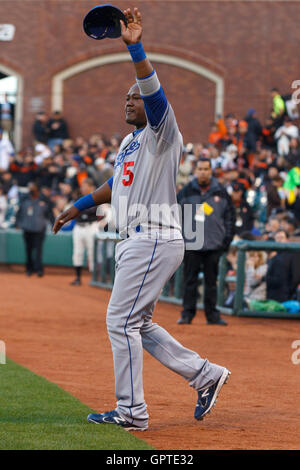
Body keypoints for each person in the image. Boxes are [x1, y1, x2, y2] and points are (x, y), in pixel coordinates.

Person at [53, 7, 230, 431]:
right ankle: (206, 374)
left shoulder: (162, 132)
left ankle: (132, 412)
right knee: (139, 323)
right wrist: (76, 206)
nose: (128, 101)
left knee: (120, 321)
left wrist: (136, 48)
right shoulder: (130, 144)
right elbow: (113, 187)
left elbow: (154, 93)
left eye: (133, 96)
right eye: (125, 98)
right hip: (138, 239)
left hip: (153, 236)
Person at [177, 157, 236, 326]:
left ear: (211, 171)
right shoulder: (186, 191)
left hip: (214, 244)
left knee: (212, 283)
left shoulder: (221, 192)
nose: (203, 172)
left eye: (206, 169)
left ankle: (212, 316)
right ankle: (187, 314)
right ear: (196, 171)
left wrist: (225, 241)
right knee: (189, 281)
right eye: (200, 169)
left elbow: (230, 217)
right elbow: (174, 215)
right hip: (191, 244)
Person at [16, 181, 54, 276]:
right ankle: (29, 269)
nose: (30, 188)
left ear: (37, 188)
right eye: (29, 187)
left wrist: (53, 224)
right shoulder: (24, 198)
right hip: (27, 228)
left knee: (38, 250)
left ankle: (39, 269)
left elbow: (50, 213)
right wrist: (18, 223)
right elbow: (19, 212)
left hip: (39, 228)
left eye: (32, 186)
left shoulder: (44, 199)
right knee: (28, 249)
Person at [70, 178, 101, 286]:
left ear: (90, 186)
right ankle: (78, 278)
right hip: (79, 227)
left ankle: (94, 278)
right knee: (77, 252)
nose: (82, 188)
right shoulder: (78, 198)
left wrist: (82, 209)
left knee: (92, 253)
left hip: (91, 226)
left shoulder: (95, 197)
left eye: (84, 186)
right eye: (82, 186)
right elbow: (74, 211)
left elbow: (94, 210)